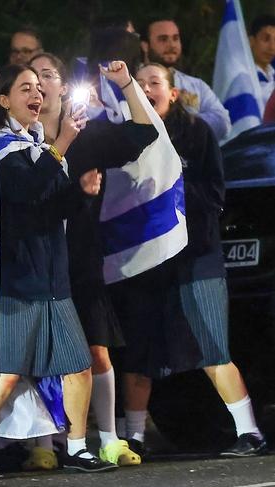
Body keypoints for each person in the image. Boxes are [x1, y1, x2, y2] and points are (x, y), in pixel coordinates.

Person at [0, 63, 115, 478]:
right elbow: (26, 193)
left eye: (38, 88)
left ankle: (79, 447)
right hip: (16, 278)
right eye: (24, 88)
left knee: (78, 365)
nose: (36, 95)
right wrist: (62, 144)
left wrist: (80, 193)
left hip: (52, 277)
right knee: (8, 375)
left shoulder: (34, 145)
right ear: (3, 99)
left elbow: (49, 207)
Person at [122, 62, 267, 458]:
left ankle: (249, 432)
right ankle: (133, 437)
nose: (148, 88)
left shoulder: (197, 132)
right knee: (142, 352)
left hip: (196, 257)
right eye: (141, 83)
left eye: (156, 83)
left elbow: (215, 195)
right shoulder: (125, 137)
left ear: (172, 93)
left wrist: (172, 186)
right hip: (148, 261)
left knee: (212, 348)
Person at [31, 53, 153, 467]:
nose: (40, 84)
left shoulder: (87, 136)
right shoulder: (18, 142)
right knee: (40, 355)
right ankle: (43, 445)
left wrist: (125, 84)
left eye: (49, 75)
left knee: (96, 351)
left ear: (64, 88)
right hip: (36, 261)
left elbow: (143, 132)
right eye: (32, 78)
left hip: (82, 260)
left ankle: (110, 439)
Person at [139, 17, 231, 140]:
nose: (171, 45)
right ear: (145, 46)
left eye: (175, 38)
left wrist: (182, 122)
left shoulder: (196, 85)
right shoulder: (131, 82)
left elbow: (223, 124)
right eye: (163, 39)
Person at [249, 14, 275, 110]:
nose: (272, 47)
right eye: (266, 39)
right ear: (251, 41)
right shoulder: (245, 78)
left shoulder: (272, 73)